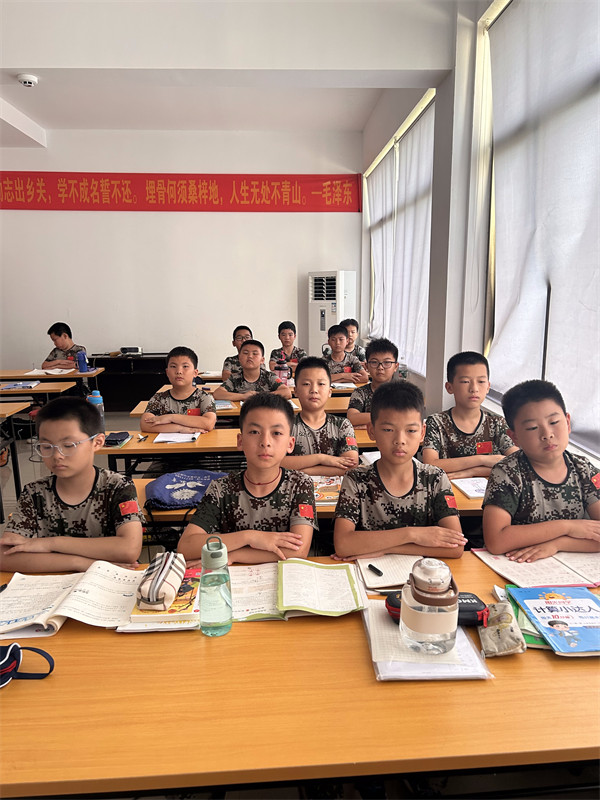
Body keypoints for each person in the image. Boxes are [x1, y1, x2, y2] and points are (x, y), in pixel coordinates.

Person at [0, 397, 143, 573]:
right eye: (46, 446)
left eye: (68, 445)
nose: (57, 455)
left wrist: (50, 544)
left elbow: (128, 549)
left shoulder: (118, 487)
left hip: (108, 582)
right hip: (55, 583)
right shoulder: (35, 492)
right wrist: (81, 563)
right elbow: (5, 556)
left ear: (97, 442)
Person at [333, 381, 466, 560]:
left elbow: (456, 547)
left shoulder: (434, 478)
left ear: (422, 433)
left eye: (411, 430)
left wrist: (388, 549)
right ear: (371, 431)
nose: (400, 440)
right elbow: (343, 545)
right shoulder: (356, 480)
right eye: (388, 429)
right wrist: (412, 534)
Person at [177, 393, 317, 564]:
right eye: (255, 432)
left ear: (290, 444)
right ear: (240, 441)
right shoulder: (221, 489)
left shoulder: (300, 484)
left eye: (276, 433)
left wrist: (234, 555)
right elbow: (186, 546)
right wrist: (249, 537)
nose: (265, 442)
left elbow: (299, 551)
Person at [482, 379, 600, 563]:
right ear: (514, 437)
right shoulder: (508, 473)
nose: (547, 434)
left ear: (568, 423)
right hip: (520, 566)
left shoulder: (584, 470)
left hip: (572, 567)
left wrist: (557, 544)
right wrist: (567, 527)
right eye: (532, 428)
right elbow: (496, 541)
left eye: (554, 422)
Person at [422, 351, 518, 479]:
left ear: (488, 387)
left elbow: (518, 463)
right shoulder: (437, 422)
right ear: (449, 387)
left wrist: (472, 472)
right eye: (465, 381)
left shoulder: (496, 423)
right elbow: (430, 465)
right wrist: (482, 460)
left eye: (481, 381)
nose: (474, 388)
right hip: (449, 488)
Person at [282, 357, 359, 476]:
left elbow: (351, 465)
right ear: (295, 391)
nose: (314, 390)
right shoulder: (286, 425)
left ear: (329, 391)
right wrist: (321, 458)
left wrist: (304, 471)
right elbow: (276, 462)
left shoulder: (342, 425)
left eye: (321, 384)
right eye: (306, 384)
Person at [140, 346, 216, 433]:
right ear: (167, 372)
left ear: (195, 373)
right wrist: (180, 429)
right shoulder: (159, 398)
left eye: (185, 366)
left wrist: (171, 417)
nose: (179, 371)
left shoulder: (204, 397)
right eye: (173, 366)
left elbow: (208, 423)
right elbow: (145, 424)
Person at [213, 339, 292, 401]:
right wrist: (243, 396)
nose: (250, 356)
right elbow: (217, 394)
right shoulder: (235, 378)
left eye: (255, 354)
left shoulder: (269, 376)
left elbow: (286, 392)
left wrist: (260, 396)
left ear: (262, 360)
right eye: (245, 353)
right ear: (239, 358)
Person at [347, 337, 399, 429]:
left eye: (387, 362)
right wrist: (389, 418)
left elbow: (407, 418)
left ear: (395, 366)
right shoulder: (360, 393)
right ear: (366, 366)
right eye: (374, 362)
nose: (380, 367)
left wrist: (371, 424)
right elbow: (352, 418)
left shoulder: (403, 392)